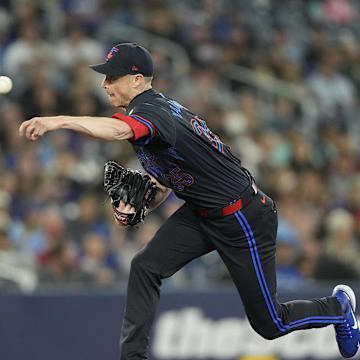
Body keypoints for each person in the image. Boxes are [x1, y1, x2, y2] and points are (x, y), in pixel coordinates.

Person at [19, 43, 359, 359]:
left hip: (242, 217)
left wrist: (58, 120)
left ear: (137, 79)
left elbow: (120, 131)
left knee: (270, 323)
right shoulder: (152, 110)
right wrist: (144, 200)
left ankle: (337, 307)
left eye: (112, 77)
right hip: (204, 211)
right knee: (145, 266)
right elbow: (169, 177)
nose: (105, 84)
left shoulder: (150, 111)